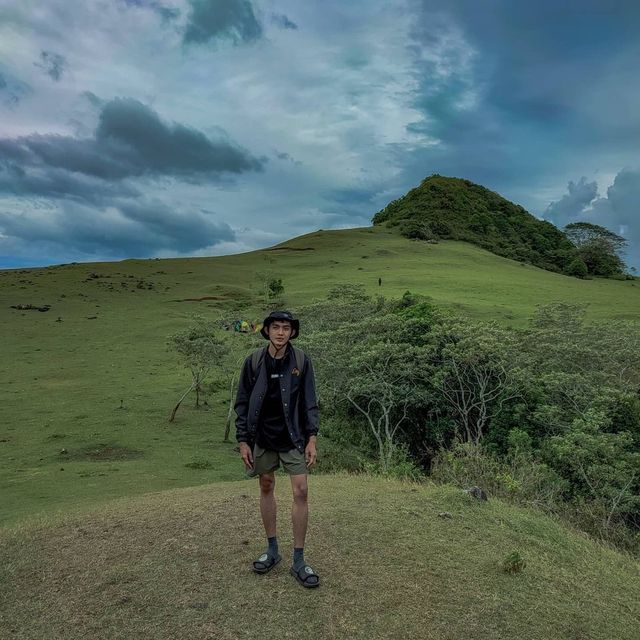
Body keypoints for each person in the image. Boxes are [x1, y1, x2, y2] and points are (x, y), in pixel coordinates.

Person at [234, 310, 321, 588]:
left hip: (293, 437)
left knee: (301, 491)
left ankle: (298, 559)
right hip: (262, 437)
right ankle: (272, 550)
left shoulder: (301, 361)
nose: (281, 332)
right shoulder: (254, 362)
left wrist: (312, 438)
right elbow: (243, 403)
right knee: (266, 485)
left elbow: (309, 400)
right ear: (267, 331)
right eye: (276, 327)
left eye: (286, 328)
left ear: (292, 332)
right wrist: (243, 440)